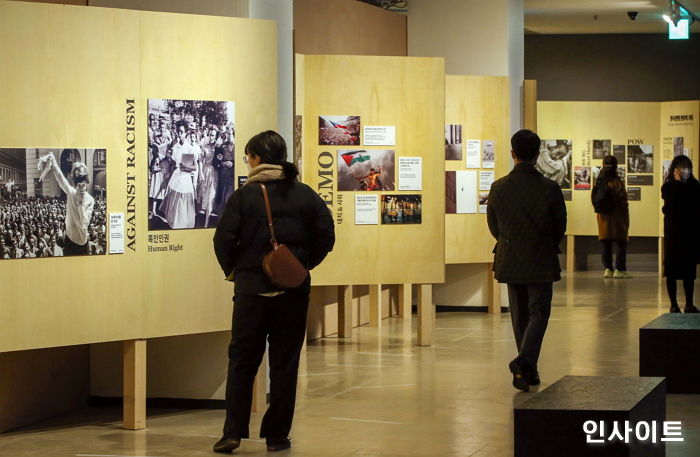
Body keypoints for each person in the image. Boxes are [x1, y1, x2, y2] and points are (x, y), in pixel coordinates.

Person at [212, 130, 335, 453]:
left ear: (255, 158)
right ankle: (277, 436)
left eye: (248, 156)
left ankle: (233, 433)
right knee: (285, 363)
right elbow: (326, 236)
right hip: (293, 294)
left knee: (241, 361)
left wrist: (238, 272)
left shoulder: (244, 197)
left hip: (252, 293)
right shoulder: (305, 195)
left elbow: (222, 241)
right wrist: (302, 267)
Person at [487, 129, 567, 392]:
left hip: (510, 257)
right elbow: (559, 226)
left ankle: (526, 371)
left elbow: (494, 226)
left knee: (519, 315)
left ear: (513, 154)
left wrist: (510, 240)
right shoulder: (550, 188)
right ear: (537, 155)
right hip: (540, 257)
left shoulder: (498, 187)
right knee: (539, 313)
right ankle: (524, 363)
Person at [661, 155, 700, 313]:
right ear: (675, 170)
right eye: (682, 168)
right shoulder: (669, 186)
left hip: (689, 233)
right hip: (673, 234)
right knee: (671, 270)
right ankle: (673, 304)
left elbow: (692, 204)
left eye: (687, 168)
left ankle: (689, 303)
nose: (685, 171)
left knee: (689, 271)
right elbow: (672, 203)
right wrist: (677, 183)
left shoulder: (695, 185)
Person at [45, 154, 95, 256]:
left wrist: (80, 205)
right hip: (69, 240)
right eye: (79, 186)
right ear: (75, 185)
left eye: (84, 185)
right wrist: (54, 162)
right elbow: (60, 179)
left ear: (86, 183)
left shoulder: (90, 200)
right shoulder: (71, 192)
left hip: (82, 244)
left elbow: (84, 224)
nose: (82, 189)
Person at [594, 156, 631, 279]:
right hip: (617, 218)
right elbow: (623, 200)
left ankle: (608, 269)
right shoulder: (617, 181)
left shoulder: (599, 182)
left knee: (605, 243)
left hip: (603, 218)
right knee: (621, 243)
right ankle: (620, 269)